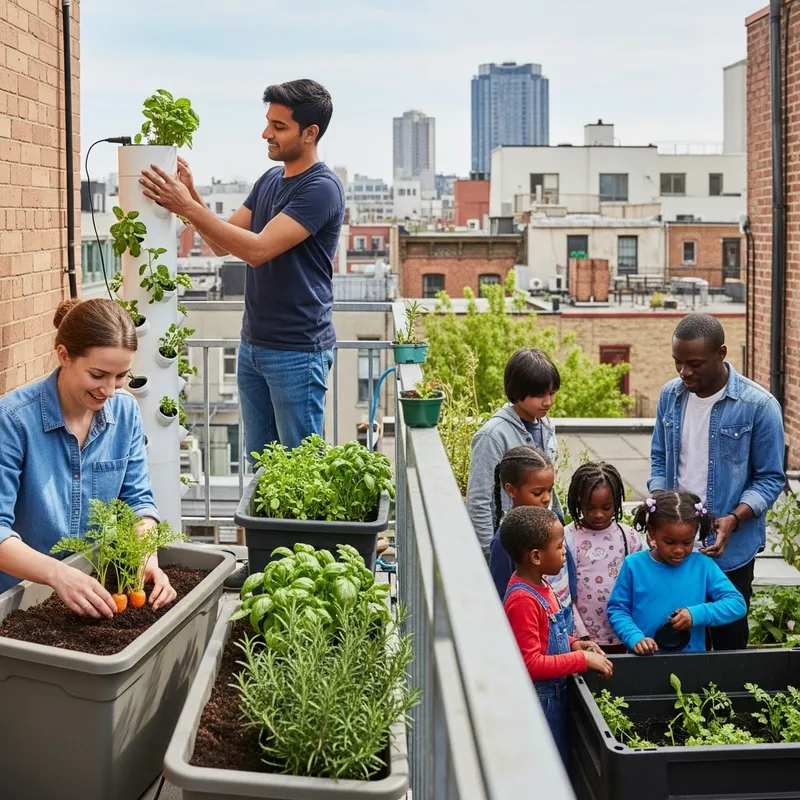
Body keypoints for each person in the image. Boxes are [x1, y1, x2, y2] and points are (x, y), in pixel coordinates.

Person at [139, 79, 344, 457]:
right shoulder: (269, 181)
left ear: (310, 133)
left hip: (298, 351)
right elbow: (220, 244)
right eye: (268, 123)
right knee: (260, 461)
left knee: (301, 466)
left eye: (279, 126)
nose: (266, 133)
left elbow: (258, 250)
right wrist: (192, 194)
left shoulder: (321, 188)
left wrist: (186, 206)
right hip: (253, 345)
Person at [0, 299, 176, 617]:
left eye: (120, 376)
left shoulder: (125, 412)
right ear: (63, 355)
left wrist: (146, 559)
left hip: (95, 589)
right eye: (98, 374)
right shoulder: (12, 420)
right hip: (18, 601)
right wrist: (58, 574)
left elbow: (138, 503)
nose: (109, 390)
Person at [648, 313, 785, 650]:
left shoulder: (759, 406)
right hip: (674, 547)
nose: (684, 372)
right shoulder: (670, 396)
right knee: (676, 642)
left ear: (721, 353)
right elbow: (659, 457)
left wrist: (734, 519)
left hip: (729, 552)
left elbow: (770, 478)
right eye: (678, 362)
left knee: (728, 647)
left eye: (694, 364)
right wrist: (658, 504)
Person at [501, 506, 613, 764]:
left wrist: (575, 644)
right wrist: (582, 660)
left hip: (557, 695)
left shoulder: (543, 583)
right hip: (541, 704)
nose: (565, 552)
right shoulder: (522, 600)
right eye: (560, 546)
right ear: (536, 557)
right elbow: (530, 664)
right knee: (548, 764)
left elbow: (550, 635)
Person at [607, 491, 746, 655]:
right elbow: (618, 609)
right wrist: (634, 637)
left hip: (690, 662)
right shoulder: (634, 565)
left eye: (687, 542)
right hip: (643, 661)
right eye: (670, 542)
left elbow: (736, 604)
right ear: (652, 533)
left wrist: (696, 614)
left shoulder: (703, 566)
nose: (679, 550)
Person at [467, 348, 561, 556]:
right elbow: (478, 502)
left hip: (536, 546)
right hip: (507, 548)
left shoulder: (547, 427)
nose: (548, 401)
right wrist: (490, 555)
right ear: (517, 391)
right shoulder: (492, 435)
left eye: (552, 393)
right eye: (539, 395)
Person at [488, 447, 579, 636]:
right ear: (511, 490)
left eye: (550, 490)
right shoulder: (504, 542)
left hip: (563, 621)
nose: (546, 498)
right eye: (538, 493)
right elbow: (501, 600)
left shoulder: (553, 520)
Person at [566, 462, 644, 654]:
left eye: (607, 507)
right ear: (579, 502)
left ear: (616, 502)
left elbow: (641, 582)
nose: (599, 514)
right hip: (584, 640)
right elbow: (562, 591)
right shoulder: (567, 538)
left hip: (625, 634)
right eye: (590, 508)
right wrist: (580, 635)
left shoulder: (629, 537)